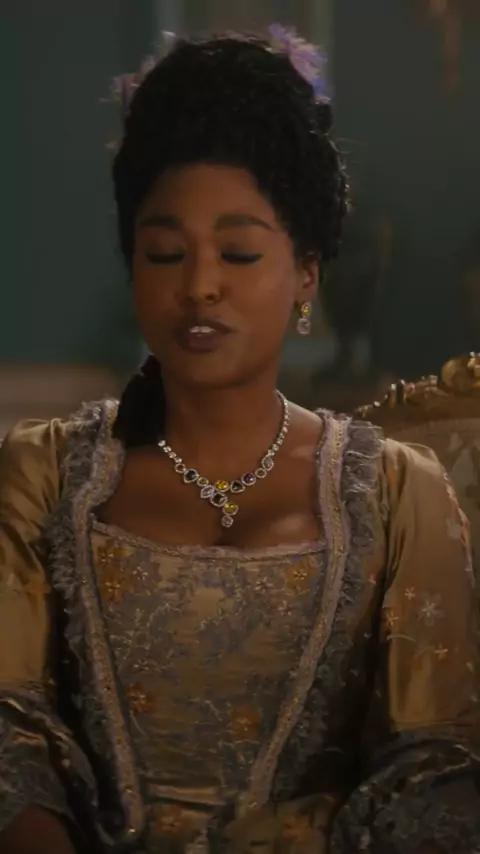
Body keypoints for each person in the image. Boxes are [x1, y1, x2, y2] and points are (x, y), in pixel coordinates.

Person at [0, 26, 479, 854]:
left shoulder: (400, 494)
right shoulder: (43, 473)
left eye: (239, 251)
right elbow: (9, 725)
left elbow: (436, 768)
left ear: (306, 273)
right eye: (164, 253)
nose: (199, 286)